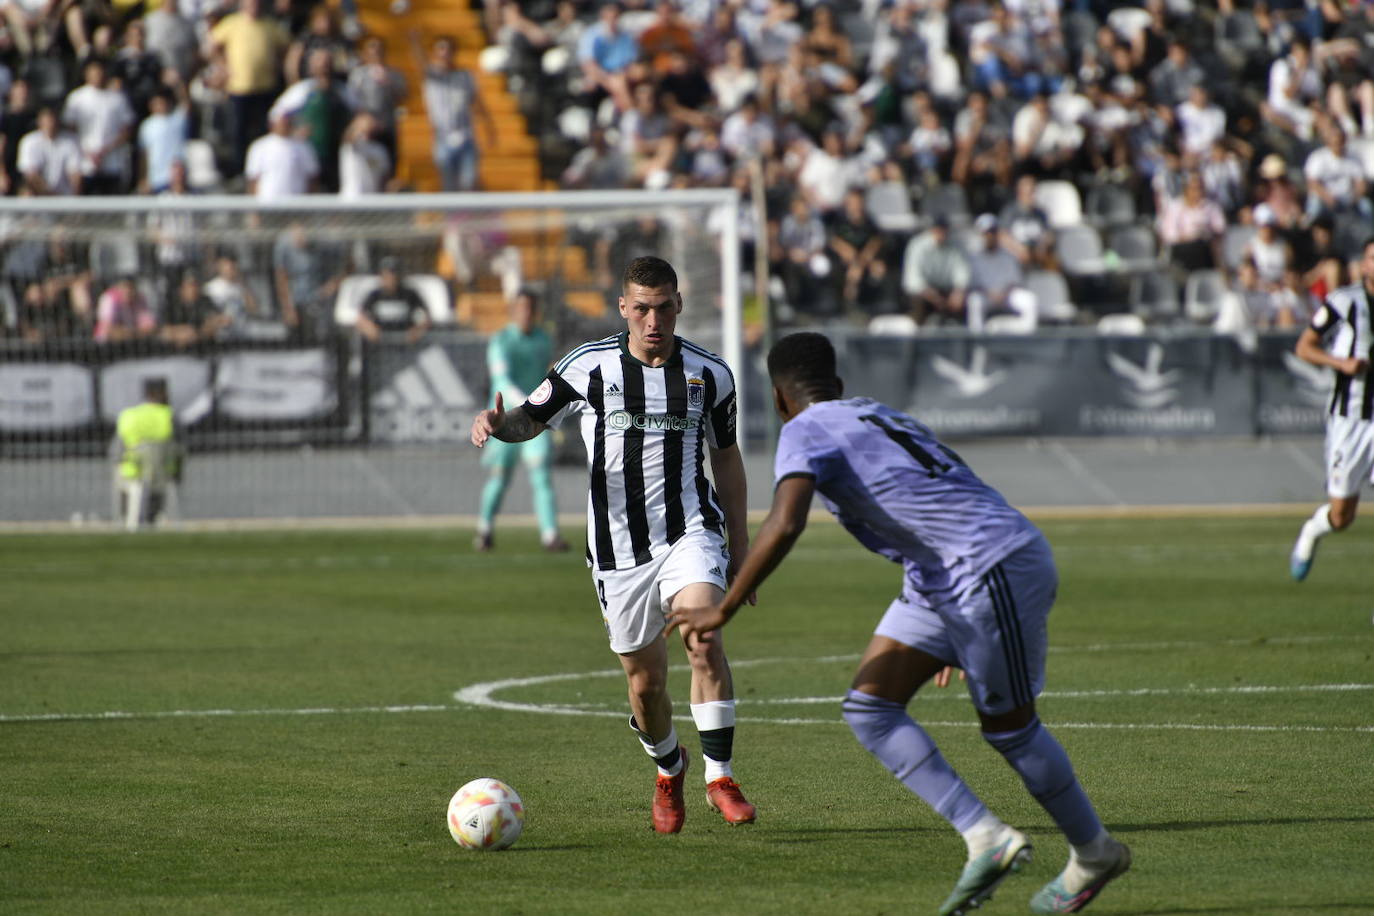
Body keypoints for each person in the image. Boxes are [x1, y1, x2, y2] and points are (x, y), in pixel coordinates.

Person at [669, 332, 1131, 915]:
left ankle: (1093, 851)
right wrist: (944, 627)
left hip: (986, 566)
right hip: (950, 574)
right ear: (836, 385)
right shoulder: (879, 413)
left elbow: (786, 521)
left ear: (781, 398)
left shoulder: (804, 430)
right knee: (870, 708)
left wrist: (725, 605)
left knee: (1011, 727)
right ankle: (985, 838)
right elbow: (940, 496)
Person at [469, 255, 757, 834]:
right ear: (624, 308)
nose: (654, 320)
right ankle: (668, 769)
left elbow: (726, 456)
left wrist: (741, 543)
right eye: (642, 308)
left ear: (680, 305)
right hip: (617, 550)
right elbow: (531, 417)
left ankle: (720, 777)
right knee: (646, 687)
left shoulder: (712, 375)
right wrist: (500, 426)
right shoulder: (588, 367)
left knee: (704, 636)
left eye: (665, 307)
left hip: (690, 531)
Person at [1288, 237, 1374, 582]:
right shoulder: (1345, 301)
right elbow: (1304, 347)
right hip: (1351, 419)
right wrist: (1341, 363)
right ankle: (1312, 530)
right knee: (1342, 516)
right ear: (1365, 265)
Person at [475, 290, 568, 554]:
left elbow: (549, 377)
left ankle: (550, 535)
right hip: (503, 419)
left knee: (541, 476)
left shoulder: (542, 339)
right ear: (513, 310)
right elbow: (501, 380)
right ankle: (484, 530)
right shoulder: (501, 340)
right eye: (522, 308)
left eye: (531, 308)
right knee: (500, 477)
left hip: (535, 420)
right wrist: (526, 403)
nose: (526, 313)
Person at [112, 376, 184, 528]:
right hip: (162, 473)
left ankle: (127, 518)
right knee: (158, 480)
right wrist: (178, 473)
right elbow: (180, 449)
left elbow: (115, 452)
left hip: (132, 472)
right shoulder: (169, 415)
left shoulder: (129, 415)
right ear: (163, 394)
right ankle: (154, 517)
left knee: (126, 479)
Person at [355, 256, 431, 343]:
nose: (390, 278)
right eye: (386, 274)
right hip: (380, 341)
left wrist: (417, 330)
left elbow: (427, 316)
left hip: (406, 340)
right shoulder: (374, 295)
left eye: (394, 273)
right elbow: (361, 318)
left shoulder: (410, 294)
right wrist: (370, 329)